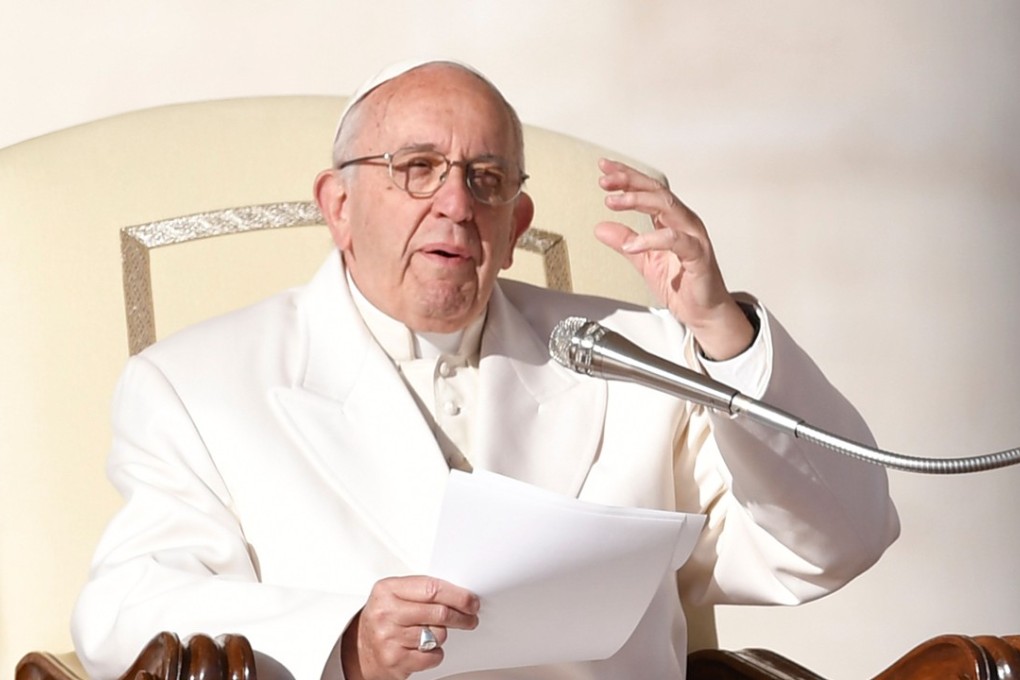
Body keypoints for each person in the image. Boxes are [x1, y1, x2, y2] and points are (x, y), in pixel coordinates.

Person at [72, 59, 899, 680]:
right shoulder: (197, 385)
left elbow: (833, 543)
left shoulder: (638, 356)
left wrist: (723, 330)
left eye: (485, 179)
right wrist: (345, 638)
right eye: (417, 168)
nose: (455, 204)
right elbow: (122, 616)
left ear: (514, 225)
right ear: (337, 205)